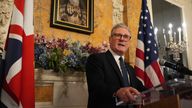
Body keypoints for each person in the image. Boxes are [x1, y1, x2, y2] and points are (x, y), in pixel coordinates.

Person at [86, 23, 147, 108]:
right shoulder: (96, 59)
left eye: (126, 37)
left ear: (128, 42)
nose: (122, 39)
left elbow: (141, 89)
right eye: (118, 35)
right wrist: (117, 92)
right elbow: (96, 87)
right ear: (110, 39)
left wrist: (162, 91)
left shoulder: (130, 69)